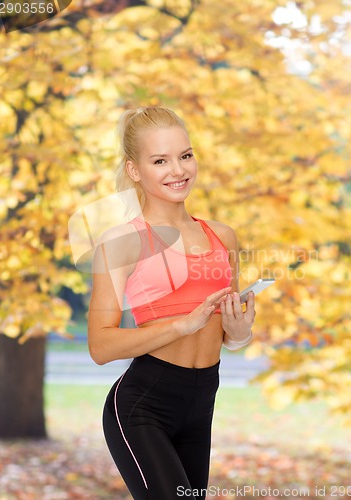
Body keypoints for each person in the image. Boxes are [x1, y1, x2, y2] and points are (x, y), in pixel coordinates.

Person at [87, 106, 256, 500]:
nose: (178, 171)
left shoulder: (222, 237)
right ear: (134, 170)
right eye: (160, 160)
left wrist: (240, 332)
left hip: (201, 405)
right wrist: (181, 325)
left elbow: (230, 336)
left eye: (185, 156)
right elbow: (100, 346)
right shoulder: (122, 242)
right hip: (144, 406)